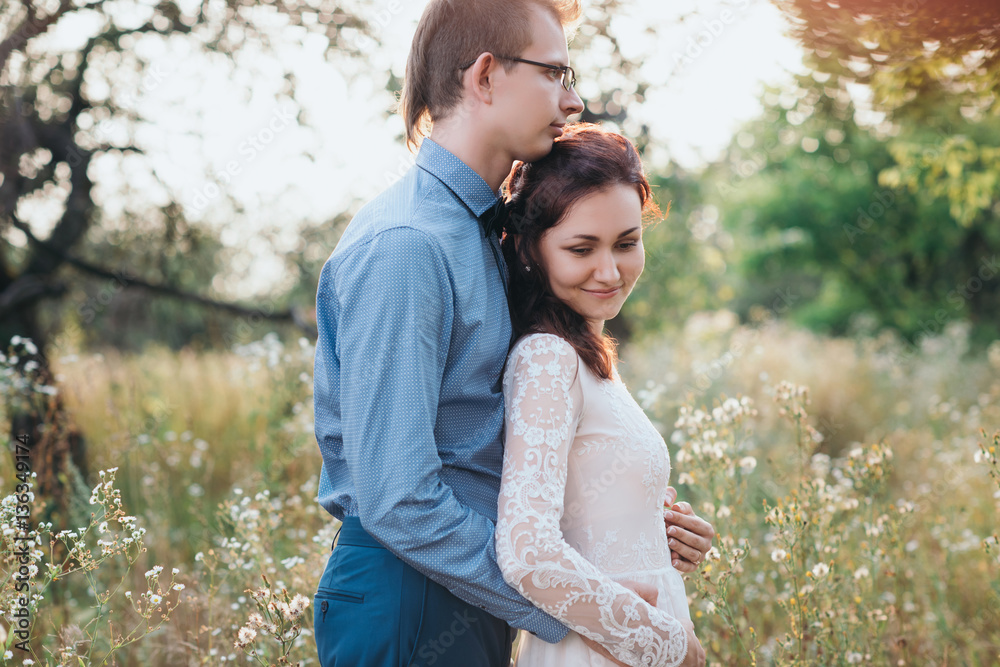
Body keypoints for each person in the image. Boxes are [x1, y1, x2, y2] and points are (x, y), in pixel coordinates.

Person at [311, 0, 713, 664]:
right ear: (487, 76)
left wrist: (630, 515)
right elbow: (399, 498)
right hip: (410, 595)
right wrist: (574, 604)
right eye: (555, 73)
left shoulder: (483, 233)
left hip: (466, 588)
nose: (574, 99)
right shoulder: (409, 244)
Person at [495, 123, 708, 666]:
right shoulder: (548, 358)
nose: (610, 271)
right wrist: (670, 648)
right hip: (599, 650)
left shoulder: (584, 352)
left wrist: (668, 536)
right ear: (529, 249)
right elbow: (527, 553)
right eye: (581, 248)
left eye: (627, 243)